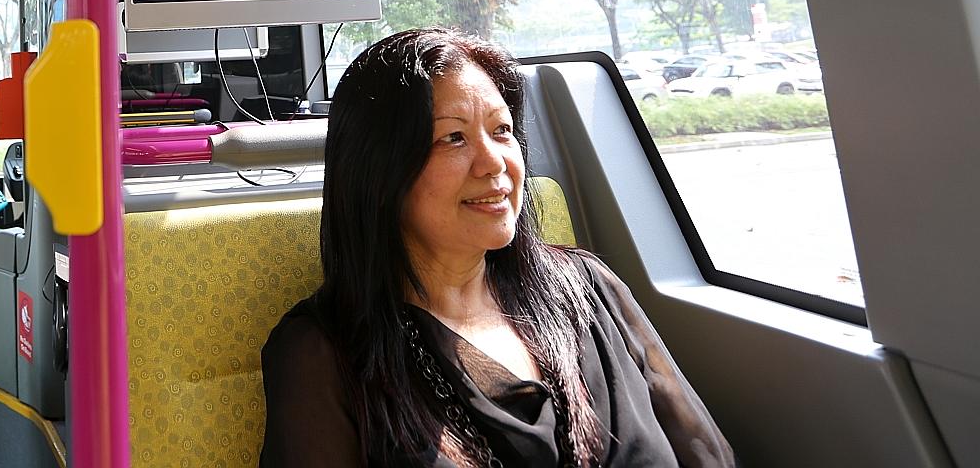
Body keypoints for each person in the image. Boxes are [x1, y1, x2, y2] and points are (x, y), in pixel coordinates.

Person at [260, 28, 736, 467]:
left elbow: (706, 453)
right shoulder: (322, 355)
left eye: (502, 130)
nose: (494, 163)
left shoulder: (588, 288)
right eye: (453, 137)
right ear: (379, 172)